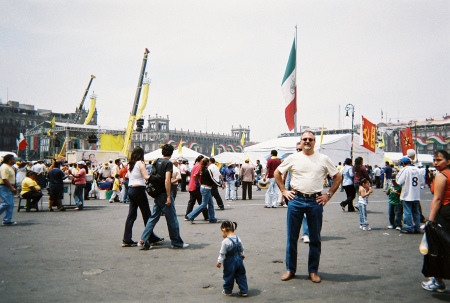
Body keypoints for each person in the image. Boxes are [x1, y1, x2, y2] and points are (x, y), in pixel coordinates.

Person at [275, 130, 342, 283]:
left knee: (315, 238)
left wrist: (328, 194)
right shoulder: (293, 158)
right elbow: (277, 173)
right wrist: (284, 191)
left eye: (310, 139)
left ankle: (313, 270)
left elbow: (337, 176)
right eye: (304, 139)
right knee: (292, 237)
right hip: (296, 200)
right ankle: (290, 269)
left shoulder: (323, 159)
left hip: (315, 201)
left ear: (314, 142)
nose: (307, 141)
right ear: (301, 141)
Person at [138, 144, 188, 250]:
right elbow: (167, 180)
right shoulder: (168, 163)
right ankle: (176, 242)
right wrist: (169, 196)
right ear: (171, 153)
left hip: (156, 193)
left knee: (154, 217)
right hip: (164, 193)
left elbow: (152, 175)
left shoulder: (156, 161)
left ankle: (143, 239)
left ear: (162, 152)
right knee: (172, 219)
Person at [421, 150, 450, 292]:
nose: (436, 163)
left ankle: (438, 281)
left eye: (439, 160)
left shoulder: (441, 176)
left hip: (443, 214)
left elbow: (438, 200)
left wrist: (430, 222)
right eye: (434, 160)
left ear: (448, 161)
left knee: (437, 248)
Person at [122, 146, 163, 247]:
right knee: (147, 214)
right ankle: (150, 237)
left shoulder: (130, 164)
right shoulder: (140, 163)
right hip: (139, 190)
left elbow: (127, 177)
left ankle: (126, 239)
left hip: (131, 189)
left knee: (131, 215)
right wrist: (157, 178)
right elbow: (146, 177)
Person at [216, 221, 248, 297]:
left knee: (229, 276)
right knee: (241, 275)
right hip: (239, 261)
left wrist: (219, 262)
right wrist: (242, 255)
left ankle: (228, 291)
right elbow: (241, 248)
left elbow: (222, 253)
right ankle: (244, 290)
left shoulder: (225, 241)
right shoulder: (238, 238)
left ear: (224, 230)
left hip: (230, 262)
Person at [187, 158, 221, 224]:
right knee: (203, 204)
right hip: (206, 188)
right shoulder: (207, 170)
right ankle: (191, 215)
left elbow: (195, 176)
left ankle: (212, 218)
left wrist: (199, 182)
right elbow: (212, 179)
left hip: (204, 187)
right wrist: (219, 184)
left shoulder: (202, 169)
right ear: (207, 163)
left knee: (210, 204)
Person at [396, 156, 424, 234]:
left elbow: (399, 181)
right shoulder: (419, 170)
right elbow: (422, 182)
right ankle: (417, 227)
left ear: (404, 163)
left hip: (407, 194)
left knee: (407, 212)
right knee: (416, 212)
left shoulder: (405, 170)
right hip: (416, 195)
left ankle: (409, 228)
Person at [185, 155, 209, 221]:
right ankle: (206, 216)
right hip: (196, 186)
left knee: (192, 202)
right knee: (202, 202)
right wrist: (199, 182)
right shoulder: (199, 166)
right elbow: (195, 175)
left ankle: (187, 215)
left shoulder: (195, 165)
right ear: (201, 160)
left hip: (192, 185)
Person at [0, 154, 17, 225]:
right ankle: (7, 220)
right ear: (9, 160)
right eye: (13, 159)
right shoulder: (4, 167)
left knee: (10, 204)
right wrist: (11, 187)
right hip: (5, 187)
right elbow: (4, 179)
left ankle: (7, 220)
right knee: (7, 203)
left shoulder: (10, 167)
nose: (14, 160)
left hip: (9, 186)